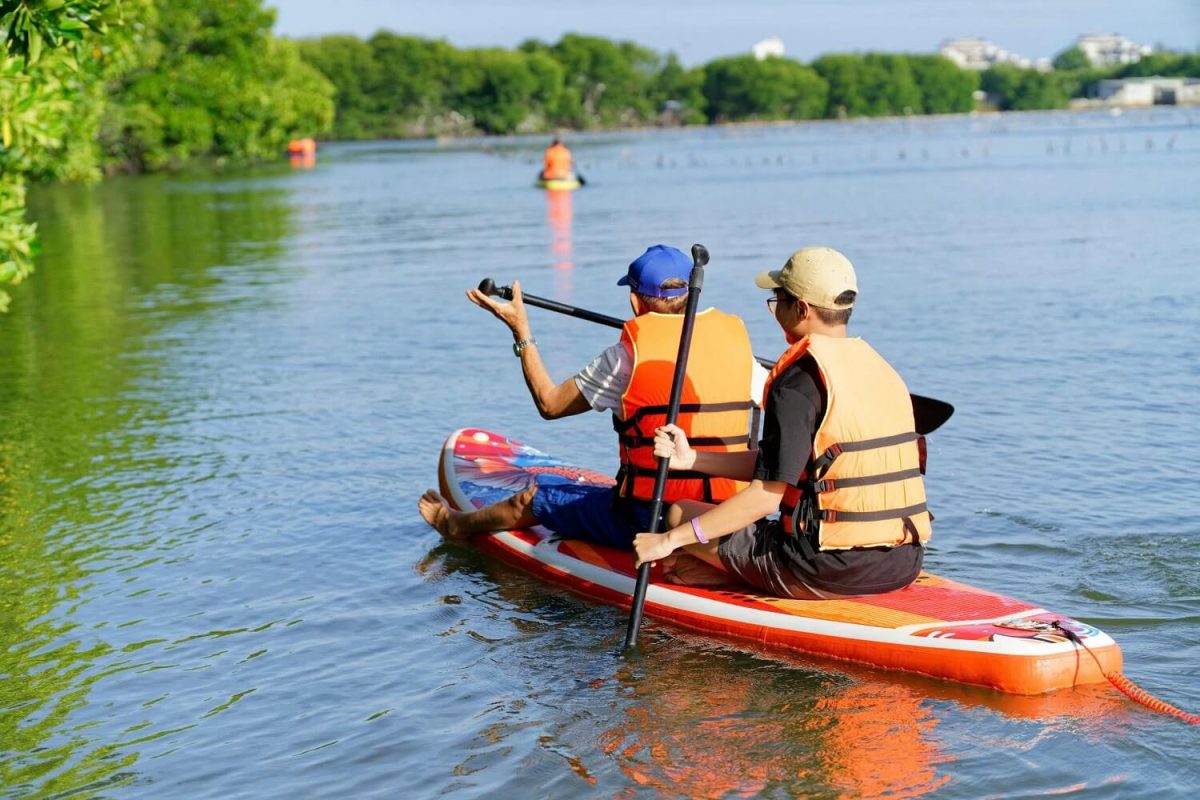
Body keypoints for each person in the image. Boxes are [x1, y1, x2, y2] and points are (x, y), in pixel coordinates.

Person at [419, 245, 766, 549]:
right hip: (728, 513)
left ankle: (455, 526)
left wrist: (521, 332)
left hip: (649, 516)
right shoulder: (738, 347)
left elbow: (550, 404)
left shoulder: (624, 358)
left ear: (634, 301)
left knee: (533, 497)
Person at [633, 247, 931, 598]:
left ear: (801, 309)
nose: (775, 311)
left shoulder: (798, 381)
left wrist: (667, 541)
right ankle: (726, 571)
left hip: (824, 571)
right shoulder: (880, 368)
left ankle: (735, 573)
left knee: (681, 514)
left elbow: (765, 499)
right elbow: (787, 467)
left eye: (778, 300)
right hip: (904, 563)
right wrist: (695, 460)